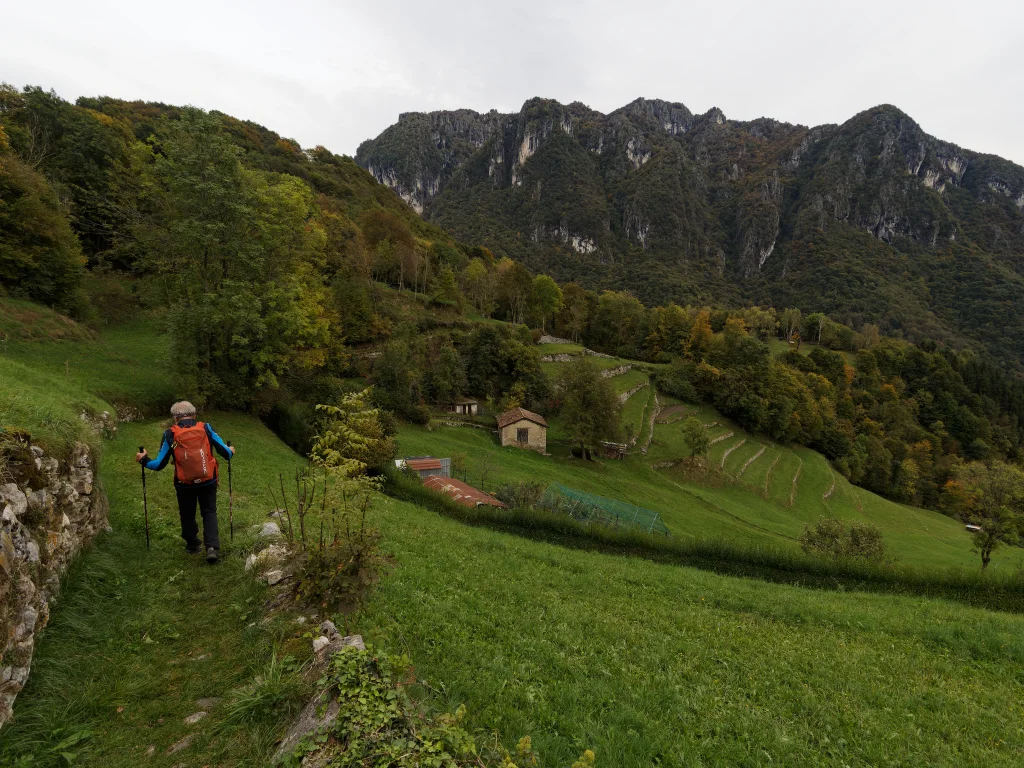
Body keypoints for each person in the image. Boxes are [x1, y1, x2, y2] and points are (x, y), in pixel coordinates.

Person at [135, 401, 235, 564]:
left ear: (175, 418)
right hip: (208, 480)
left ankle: (193, 546)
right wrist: (231, 451)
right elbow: (225, 452)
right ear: (194, 414)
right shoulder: (206, 428)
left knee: (187, 514)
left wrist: (144, 460)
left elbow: (159, 464)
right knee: (209, 511)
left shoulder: (170, 434)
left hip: (184, 483)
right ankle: (212, 548)